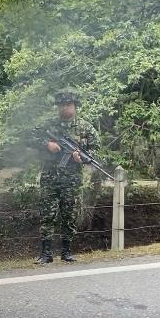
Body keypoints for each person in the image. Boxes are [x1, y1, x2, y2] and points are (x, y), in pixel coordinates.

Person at [34, 90, 99, 264]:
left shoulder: (86, 128)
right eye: (62, 105)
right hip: (49, 178)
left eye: (69, 104)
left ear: (75, 106)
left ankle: (66, 252)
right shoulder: (48, 125)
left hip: (71, 180)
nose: (65, 108)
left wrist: (81, 159)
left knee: (69, 215)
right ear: (58, 107)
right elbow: (31, 137)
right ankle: (46, 254)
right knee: (47, 215)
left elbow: (95, 152)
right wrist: (47, 144)